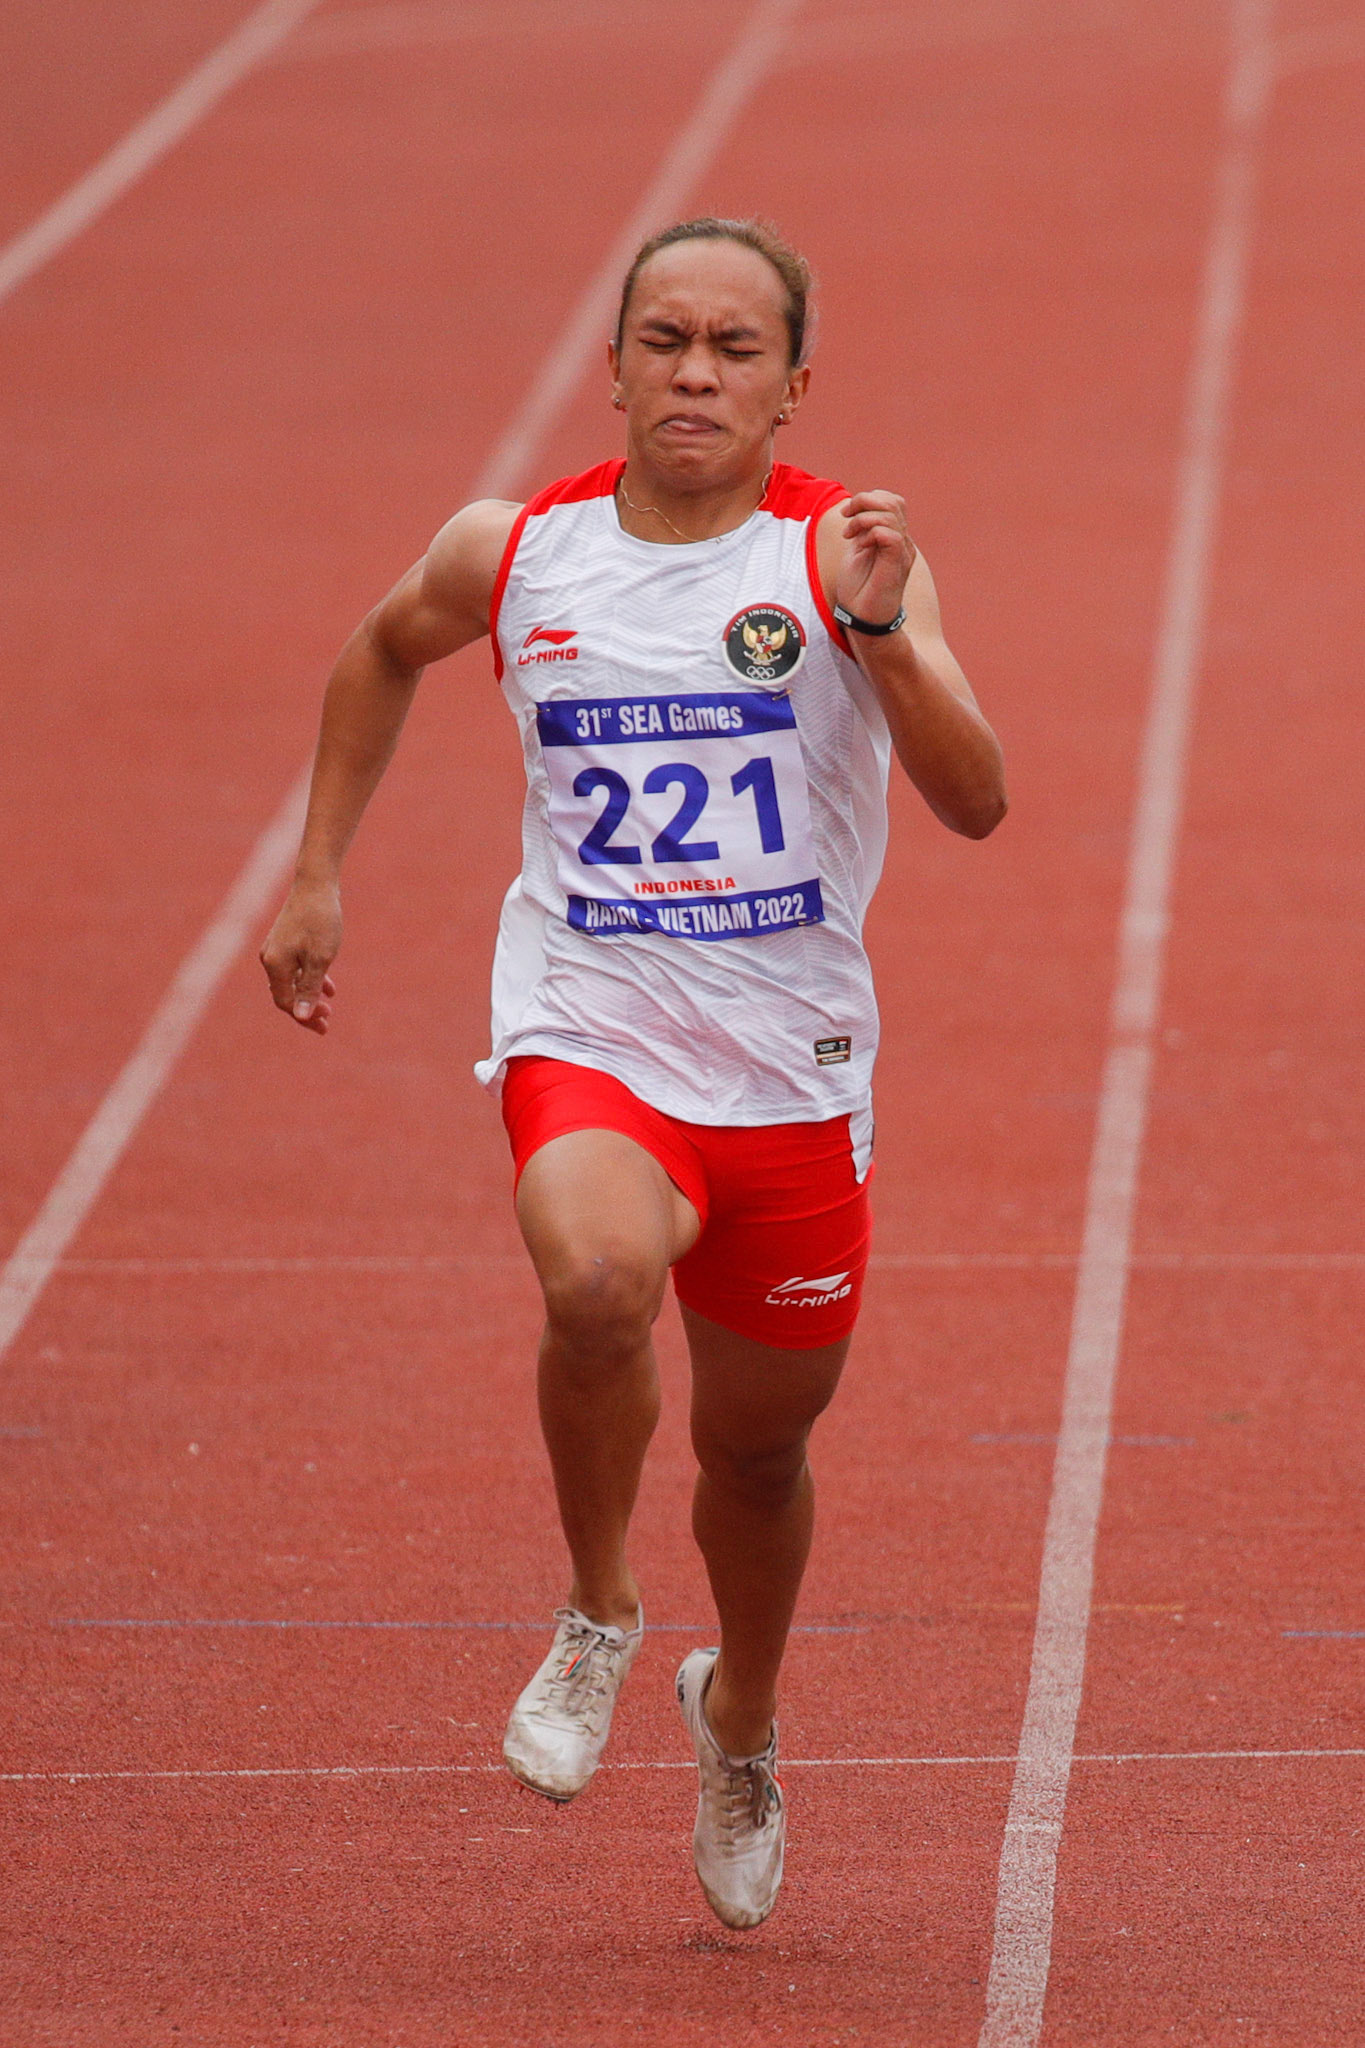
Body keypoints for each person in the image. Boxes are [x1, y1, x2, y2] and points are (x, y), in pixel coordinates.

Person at [261, 216, 1006, 1929]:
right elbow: (379, 648)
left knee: (757, 1459)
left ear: (791, 387)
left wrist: (883, 639)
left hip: (793, 1072)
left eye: (732, 350)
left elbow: (976, 802)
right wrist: (318, 870)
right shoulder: (516, 553)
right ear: (609, 364)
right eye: (662, 340)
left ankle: (735, 1710)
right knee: (592, 1279)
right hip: (590, 1026)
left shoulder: (842, 561)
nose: (692, 373)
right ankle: (598, 1612)